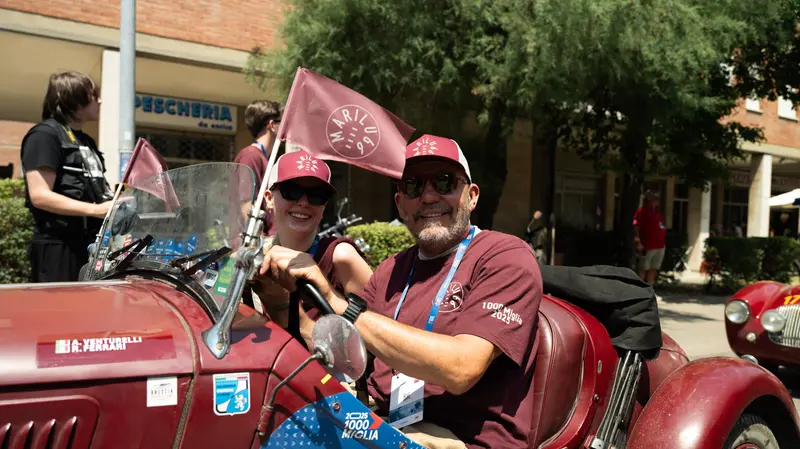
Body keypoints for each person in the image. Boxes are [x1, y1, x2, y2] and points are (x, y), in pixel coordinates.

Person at [259, 134, 543, 449]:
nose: (429, 196)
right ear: (399, 203)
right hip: (383, 420)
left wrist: (335, 301)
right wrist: (282, 303)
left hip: (458, 437)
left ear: (472, 196)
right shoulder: (392, 269)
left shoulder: (503, 255)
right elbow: (343, 359)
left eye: (445, 182)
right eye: (413, 186)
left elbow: (462, 368)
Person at [251, 150, 373, 324]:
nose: (303, 202)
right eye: (291, 191)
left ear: (325, 205)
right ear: (269, 198)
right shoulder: (256, 255)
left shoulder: (341, 256)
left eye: (317, 194)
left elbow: (379, 335)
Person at [20, 71, 113, 282]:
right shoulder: (44, 136)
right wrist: (96, 210)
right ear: (75, 99)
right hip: (58, 248)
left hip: (89, 246)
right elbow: (40, 196)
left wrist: (117, 202)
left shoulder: (86, 141)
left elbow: (95, 189)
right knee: (58, 312)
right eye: (93, 95)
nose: (100, 100)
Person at [234, 99, 284, 237]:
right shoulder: (250, 155)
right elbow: (247, 204)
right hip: (254, 250)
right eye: (282, 122)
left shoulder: (263, 157)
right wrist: (258, 245)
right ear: (272, 125)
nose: (285, 128)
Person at [633, 190, 666, 286]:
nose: (656, 201)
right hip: (647, 245)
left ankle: (649, 290)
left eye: (657, 199)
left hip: (659, 246)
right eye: (654, 199)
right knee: (643, 268)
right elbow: (636, 227)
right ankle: (640, 291)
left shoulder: (657, 213)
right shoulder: (642, 212)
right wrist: (637, 241)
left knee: (653, 268)